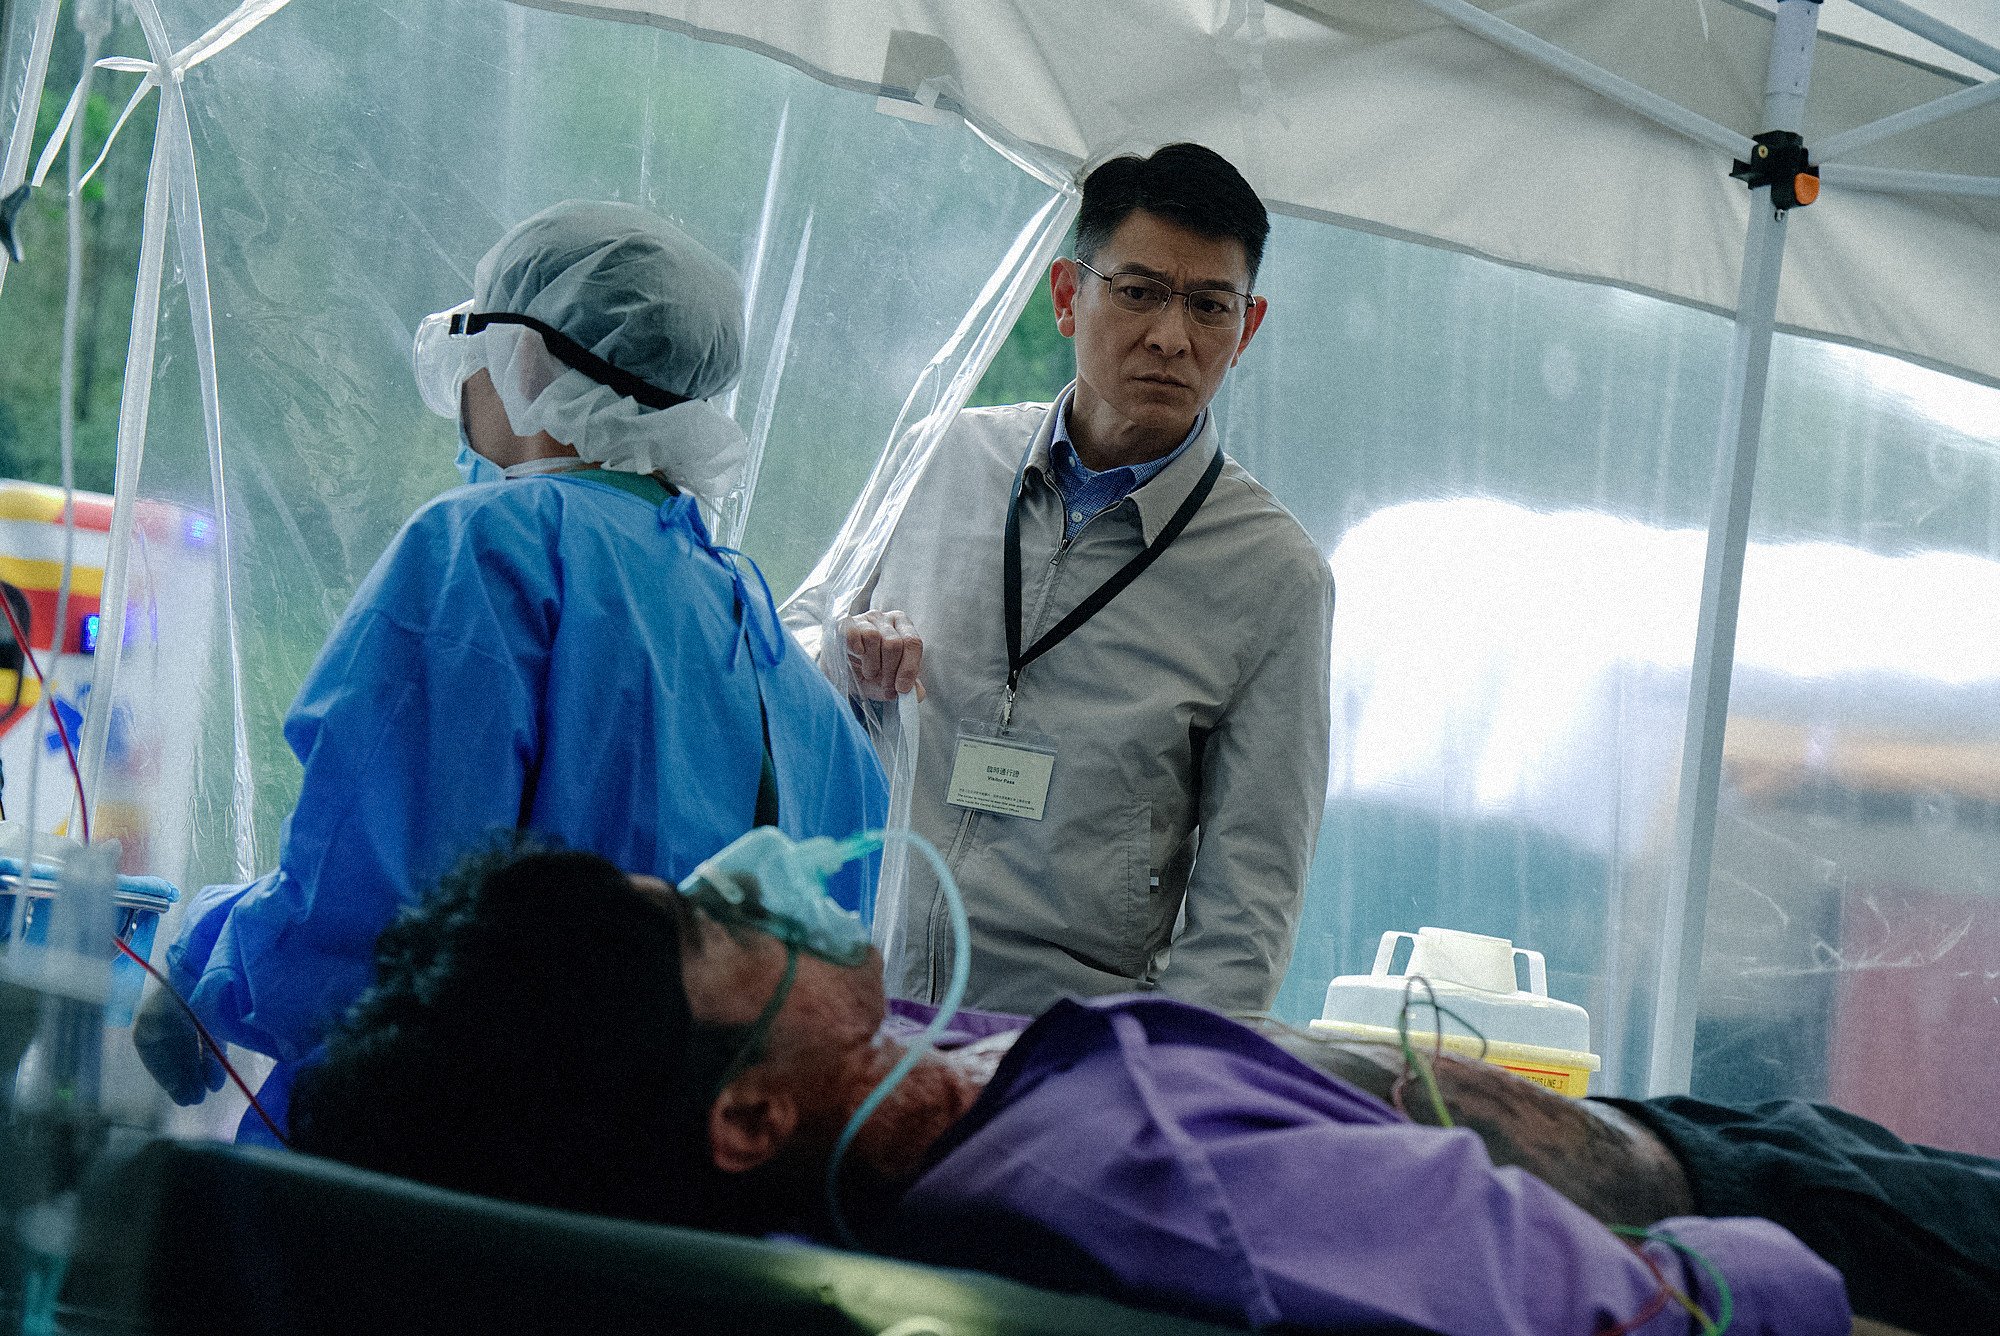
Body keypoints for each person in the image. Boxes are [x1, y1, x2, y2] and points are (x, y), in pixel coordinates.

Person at [291, 843, 2000, 1336]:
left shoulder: (912, 1121)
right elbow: (1654, 1324)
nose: (754, 880)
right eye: (719, 920)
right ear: (743, 1116)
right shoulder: (1150, 1182)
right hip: (1807, 1224)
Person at [134, 201, 888, 1140]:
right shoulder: (782, 665)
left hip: (440, 1175)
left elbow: (378, 919)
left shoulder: (488, 554)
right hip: (668, 1209)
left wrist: (214, 955)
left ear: (520, 361)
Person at [785, 143, 1332, 1017]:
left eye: (1209, 306)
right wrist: (843, 658)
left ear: (1249, 326)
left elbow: (1248, 905)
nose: (1172, 336)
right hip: (858, 996)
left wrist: (1155, 1091)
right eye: (1141, 291)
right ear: (1069, 296)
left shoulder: (1272, 576)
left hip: (1060, 1052)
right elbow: (785, 649)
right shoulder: (942, 457)